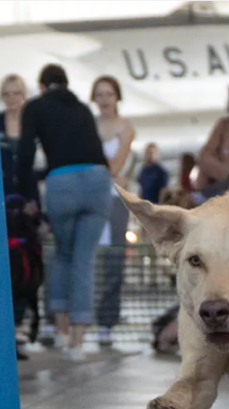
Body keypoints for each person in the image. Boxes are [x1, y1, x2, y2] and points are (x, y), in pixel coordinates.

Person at [16, 64, 112, 361]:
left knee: (62, 255)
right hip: (98, 179)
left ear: (42, 86)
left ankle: (61, 333)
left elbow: (26, 152)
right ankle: (79, 344)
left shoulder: (35, 107)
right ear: (66, 84)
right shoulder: (82, 108)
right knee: (84, 260)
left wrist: (28, 192)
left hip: (63, 183)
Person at [92, 75, 136, 348]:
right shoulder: (88, 125)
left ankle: (107, 321)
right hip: (92, 197)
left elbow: (116, 165)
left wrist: (102, 167)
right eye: (99, 94)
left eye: (109, 94)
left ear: (117, 96)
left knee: (113, 263)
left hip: (115, 200)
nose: (105, 99)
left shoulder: (126, 127)